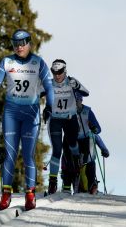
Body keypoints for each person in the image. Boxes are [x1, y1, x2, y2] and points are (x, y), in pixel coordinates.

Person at [0, 29, 54, 211]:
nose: (19, 47)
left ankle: (30, 194)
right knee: (10, 154)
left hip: (31, 113)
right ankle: (6, 194)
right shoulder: (7, 61)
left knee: (28, 155)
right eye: (16, 44)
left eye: (22, 44)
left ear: (29, 43)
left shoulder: (38, 62)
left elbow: (49, 85)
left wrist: (50, 106)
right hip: (11, 113)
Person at [45, 59, 89, 195]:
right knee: (57, 151)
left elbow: (86, 92)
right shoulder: (49, 83)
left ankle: (77, 163)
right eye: (54, 72)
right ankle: (52, 182)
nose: (57, 75)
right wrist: (45, 109)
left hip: (71, 119)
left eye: (59, 72)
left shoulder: (71, 81)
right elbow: (34, 95)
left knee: (72, 144)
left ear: (65, 71)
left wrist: (77, 86)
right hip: (56, 120)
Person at [61, 94, 107, 194]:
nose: (75, 104)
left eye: (77, 101)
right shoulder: (68, 111)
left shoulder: (87, 111)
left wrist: (94, 128)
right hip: (71, 139)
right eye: (73, 102)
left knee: (88, 160)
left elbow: (97, 130)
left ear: (81, 101)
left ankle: (90, 185)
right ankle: (68, 185)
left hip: (85, 139)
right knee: (68, 160)